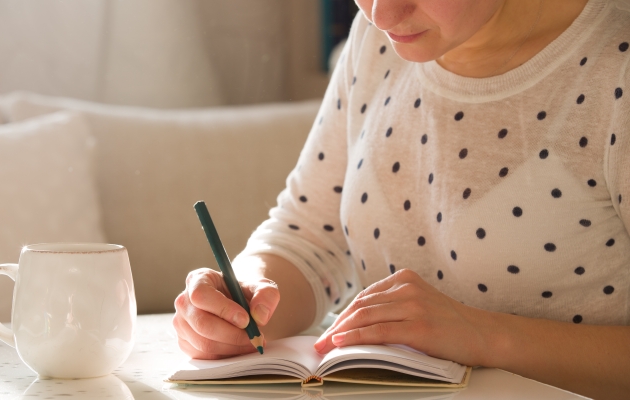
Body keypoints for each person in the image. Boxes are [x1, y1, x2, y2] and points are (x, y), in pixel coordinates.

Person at [173, 0, 630, 398]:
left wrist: (485, 337)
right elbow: (310, 238)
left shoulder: (617, 66)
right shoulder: (375, 41)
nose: (382, 13)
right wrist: (243, 300)